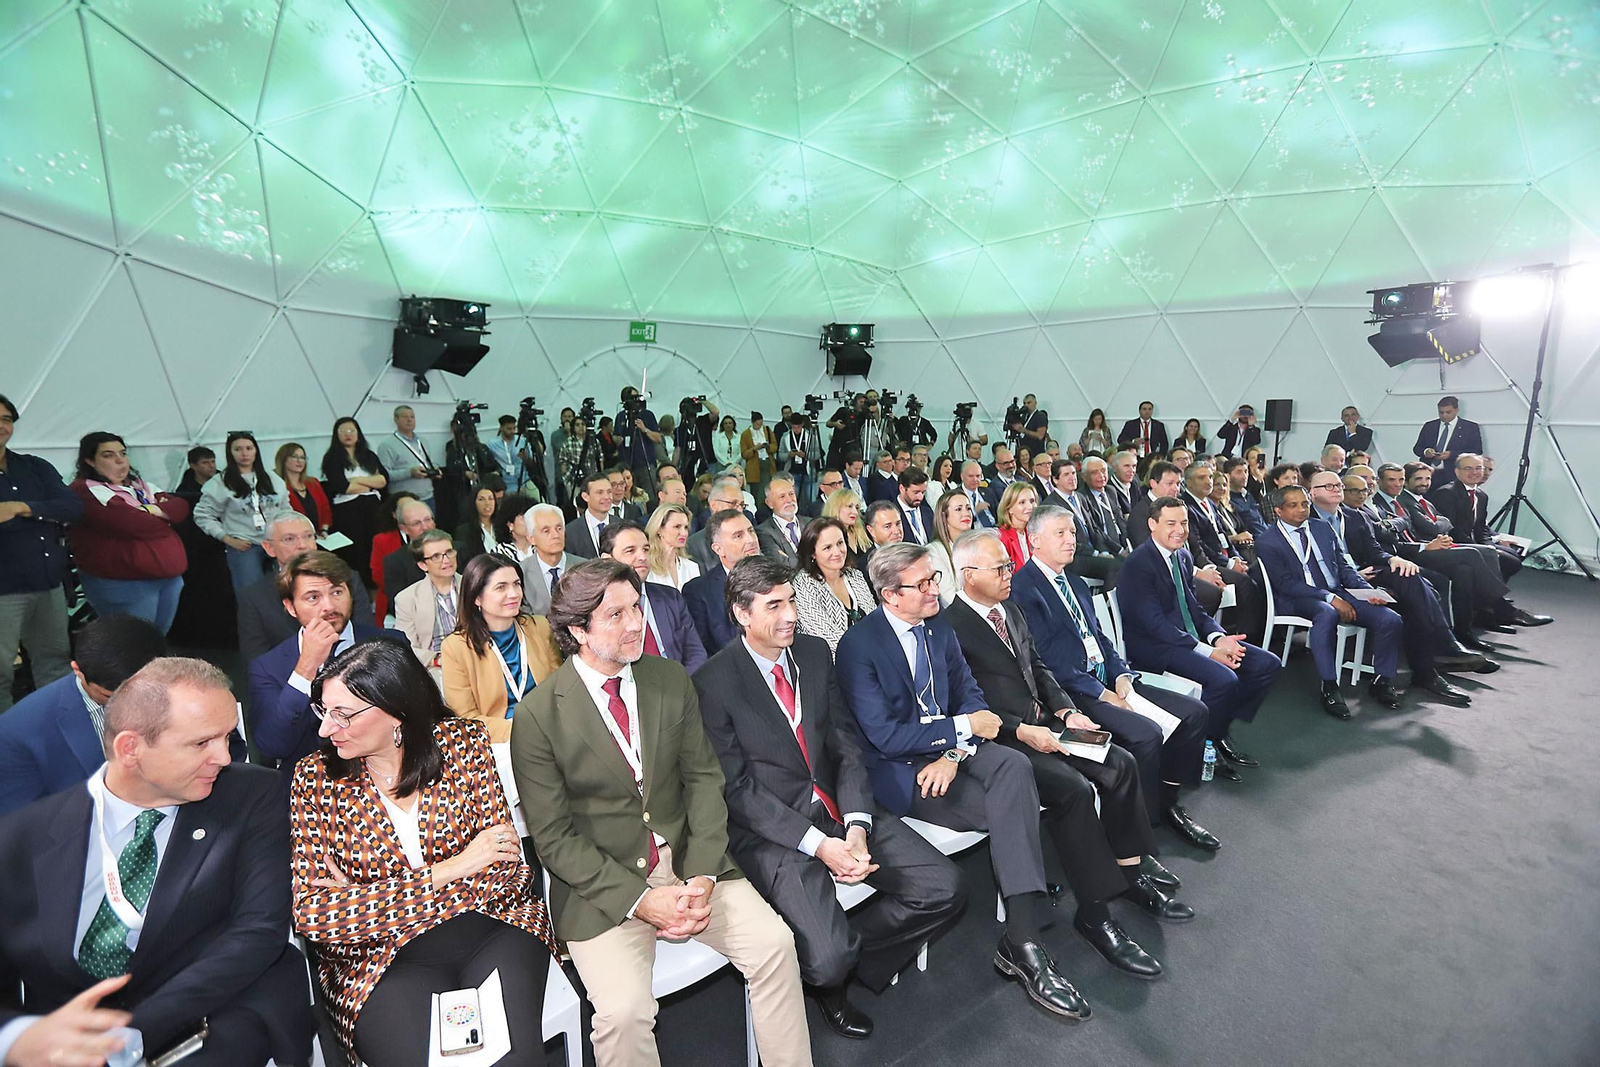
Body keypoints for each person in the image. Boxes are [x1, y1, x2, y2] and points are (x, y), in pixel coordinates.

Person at [511, 559, 813, 1067]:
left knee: (776, 946)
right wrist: (640, 901)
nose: (636, 624)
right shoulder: (540, 716)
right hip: (603, 888)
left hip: (692, 865)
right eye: (616, 615)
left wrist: (702, 875)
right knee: (624, 1014)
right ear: (576, 630)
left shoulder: (669, 679)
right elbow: (554, 839)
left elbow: (703, 780)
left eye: (637, 608)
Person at [694, 557, 966, 1038]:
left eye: (793, 601)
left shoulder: (817, 653)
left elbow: (846, 746)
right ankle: (832, 974)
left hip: (843, 809)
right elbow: (737, 789)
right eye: (774, 605)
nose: (791, 615)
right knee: (825, 961)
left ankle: (850, 954)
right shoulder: (712, 682)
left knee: (945, 889)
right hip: (775, 832)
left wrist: (858, 824)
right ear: (741, 613)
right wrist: (819, 846)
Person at [0, 657, 313, 1067]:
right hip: (67, 1039)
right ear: (130, 748)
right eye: (201, 743)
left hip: (211, 1019)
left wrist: (126, 1036)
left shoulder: (253, 796)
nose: (223, 757)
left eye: (226, 737)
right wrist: (17, 1038)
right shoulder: (27, 836)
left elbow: (257, 933)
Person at [835, 545, 1096, 1013]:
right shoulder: (858, 646)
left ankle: (1022, 937)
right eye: (924, 584)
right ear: (890, 595)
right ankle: (1024, 940)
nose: (936, 588)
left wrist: (954, 752)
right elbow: (887, 736)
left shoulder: (938, 627)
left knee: (1014, 767)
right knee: (1012, 798)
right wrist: (960, 731)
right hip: (902, 773)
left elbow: (973, 701)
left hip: (951, 757)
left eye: (935, 577)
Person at [290, 641, 557, 1066]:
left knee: (514, 1060)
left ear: (396, 711)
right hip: (378, 963)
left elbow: (505, 872)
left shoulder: (464, 745)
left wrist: (367, 896)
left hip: (493, 928)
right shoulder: (314, 779)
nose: (325, 729)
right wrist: (454, 867)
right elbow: (315, 916)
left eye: (343, 714)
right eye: (324, 711)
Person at [944, 531, 1197, 947]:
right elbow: (965, 701)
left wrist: (1065, 709)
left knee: (1120, 763)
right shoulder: (949, 626)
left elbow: (1038, 667)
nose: (1011, 572)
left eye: (1009, 564)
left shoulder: (1009, 607)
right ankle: (1096, 914)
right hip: (1004, 741)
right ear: (969, 575)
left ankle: (1131, 874)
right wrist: (1019, 729)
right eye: (1001, 567)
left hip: (1046, 721)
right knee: (1075, 790)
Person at [1004, 514, 1216, 848]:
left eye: (1073, 532)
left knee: (1195, 713)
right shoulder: (1022, 589)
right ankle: (1142, 825)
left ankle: (1166, 801)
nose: (1070, 539)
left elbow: (1101, 639)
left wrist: (1120, 676)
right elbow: (1045, 662)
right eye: (1059, 533)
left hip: (1110, 680)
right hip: (1073, 695)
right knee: (1146, 734)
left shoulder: (1073, 583)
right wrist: (1100, 692)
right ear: (1035, 540)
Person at [1117, 498, 1283, 777]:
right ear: (1152, 525)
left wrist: (1219, 638)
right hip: (1154, 647)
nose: (1180, 530)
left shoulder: (1182, 556)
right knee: (1224, 679)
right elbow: (1154, 624)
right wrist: (1207, 651)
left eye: (1183, 523)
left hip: (1187, 639)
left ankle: (1216, 731)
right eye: (1171, 523)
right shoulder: (1138, 564)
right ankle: (1202, 745)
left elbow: (1194, 609)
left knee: (1267, 664)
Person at [246, 551, 405, 773]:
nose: (329, 606)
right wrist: (306, 668)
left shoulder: (390, 643)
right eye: (313, 597)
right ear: (290, 607)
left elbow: (417, 714)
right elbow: (273, 746)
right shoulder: (267, 668)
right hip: (313, 783)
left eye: (337, 592)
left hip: (390, 770)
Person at [0, 614, 167, 815]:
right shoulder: (19, 729)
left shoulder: (182, 692)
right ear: (77, 670)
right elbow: (21, 823)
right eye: (108, 696)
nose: (127, 703)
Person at [68, 432, 188, 633]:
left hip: (167, 578)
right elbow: (135, 524)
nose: (119, 461)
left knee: (155, 642)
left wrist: (153, 510)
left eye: (123, 453)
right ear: (89, 461)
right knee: (133, 646)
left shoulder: (139, 486)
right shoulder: (85, 491)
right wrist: (166, 517)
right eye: (108, 455)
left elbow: (181, 507)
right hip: (125, 583)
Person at [439, 553, 562, 743]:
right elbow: (465, 717)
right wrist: (523, 730)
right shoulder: (456, 647)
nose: (513, 593)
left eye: (517, 584)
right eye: (501, 587)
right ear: (477, 598)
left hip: (551, 730)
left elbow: (560, 688)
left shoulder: (539, 627)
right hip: (499, 741)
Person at [238, 513, 375, 661]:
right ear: (269, 547)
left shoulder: (348, 578)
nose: (302, 545)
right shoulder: (255, 596)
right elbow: (255, 659)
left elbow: (367, 636)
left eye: (308, 536)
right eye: (289, 539)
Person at [599, 522, 707, 674]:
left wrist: (682, 686)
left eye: (646, 549)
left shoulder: (670, 597)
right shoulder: (598, 607)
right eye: (630, 551)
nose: (642, 557)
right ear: (607, 560)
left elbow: (695, 652)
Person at [195, 431, 290, 595]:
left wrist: (288, 535)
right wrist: (226, 538)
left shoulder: (272, 478)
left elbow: (285, 509)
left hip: (275, 543)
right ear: (230, 453)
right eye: (238, 449)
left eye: (249, 448)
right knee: (251, 595)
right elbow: (202, 515)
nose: (244, 453)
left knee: (284, 591)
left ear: (256, 451)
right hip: (245, 547)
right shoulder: (220, 482)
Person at [321, 417, 390, 587]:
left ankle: (376, 590)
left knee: (374, 550)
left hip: (373, 509)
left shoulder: (369, 456)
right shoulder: (332, 458)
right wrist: (369, 483)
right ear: (336, 435)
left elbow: (383, 481)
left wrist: (357, 480)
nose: (348, 434)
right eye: (343, 431)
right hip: (348, 512)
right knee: (356, 554)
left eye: (352, 430)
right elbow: (343, 486)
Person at [792, 518, 876, 655]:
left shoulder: (855, 575)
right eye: (827, 548)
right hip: (833, 666)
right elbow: (828, 640)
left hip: (870, 656)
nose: (837, 552)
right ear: (813, 553)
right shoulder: (803, 585)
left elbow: (875, 620)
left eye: (840, 543)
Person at [684, 508, 761, 654]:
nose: (751, 540)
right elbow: (701, 650)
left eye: (751, 531)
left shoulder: (778, 578)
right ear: (718, 549)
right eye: (738, 536)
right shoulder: (699, 591)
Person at [1046, 459, 1122, 587]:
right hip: (1074, 557)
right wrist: (1096, 554)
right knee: (1116, 567)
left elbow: (1095, 529)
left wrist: (1110, 551)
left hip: (1093, 552)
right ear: (1055, 480)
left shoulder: (1081, 497)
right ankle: (1104, 604)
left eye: (1073, 473)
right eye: (1066, 475)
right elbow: (1064, 540)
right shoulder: (1052, 505)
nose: (1072, 478)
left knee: (1129, 562)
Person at [394, 529, 461, 670]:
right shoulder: (407, 599)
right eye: (436, 556)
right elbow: (406, 646)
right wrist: (436, 660)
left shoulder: (475, 585)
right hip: (436, 664)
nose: (446, 560)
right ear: (423, 565)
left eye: (449, 552)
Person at [522, 502, 586, 615]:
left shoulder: (584, 568)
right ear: (531, 539)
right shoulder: (521, 573)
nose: (555, 535)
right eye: (546, 531)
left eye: (559, 528)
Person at [377, 497, 434, 621]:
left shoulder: (458, 550)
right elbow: (398, 605)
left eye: (428, 520)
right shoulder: (394, 561)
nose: (425, 527)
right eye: (416, 523)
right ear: (404, 529)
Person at [439, 418, 497, 535]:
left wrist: (494, 473)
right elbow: (450, 469)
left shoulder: (480, 447)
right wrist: (464, 473)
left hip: (481, 486)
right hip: (463, 490)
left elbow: (491, 465)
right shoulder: (453, 447)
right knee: (466, 515)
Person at [375, 404, 438, 508]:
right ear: (396, 419)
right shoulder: (387, 445)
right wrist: (409, 472)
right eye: (405, 417)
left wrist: (433, 471)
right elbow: (384, 476)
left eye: (412, 417)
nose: (409, 420)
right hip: (403, 500)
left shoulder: (423, 441)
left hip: (428, 497)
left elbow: (424, 463)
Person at [1412, 395, 1482, 488]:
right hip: (1428, 475)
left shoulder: (1470, 427)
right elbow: (1417, 448)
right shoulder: (1429, 426)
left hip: (1453, 476)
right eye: (1441, 412)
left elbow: (1477, 451)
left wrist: (1452, 454)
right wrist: (1426, 452)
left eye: (1448, 412)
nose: (1444, 415)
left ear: (1457, 410)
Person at [615, 386, 665, 499]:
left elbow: (658, 438)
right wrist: (616, 439)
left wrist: (644, 429)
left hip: (645, 463)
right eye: (632, 398)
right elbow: (616, 437)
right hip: (626, 465)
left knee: (649, 495)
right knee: (628, 496)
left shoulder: (647, 415)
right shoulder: (621, 416)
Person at [928, 488, 974, 607]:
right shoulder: (934, 551)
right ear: (944, 516)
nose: (966, 513)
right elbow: (949, 599)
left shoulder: (977, 546)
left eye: (968, 508)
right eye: (958, 509)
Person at [274, 442, 331, 535]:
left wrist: (324, 530)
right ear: (283, 459)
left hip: (319, 536)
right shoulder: (278, 486)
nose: (299, 461)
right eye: (294, 457)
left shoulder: (313, 483)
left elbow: (325, 510)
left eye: (302, 457)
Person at [645, 503, 700, 590]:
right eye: (677, 527)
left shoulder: (692, 567)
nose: (684, 533)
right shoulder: (646, 567)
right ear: (659, 529)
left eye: (686, 527)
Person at [755, 473, 804, 567]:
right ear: (769, 503)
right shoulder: (763, 531)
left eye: (791, 494)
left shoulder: (811, 523)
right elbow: (781, 564)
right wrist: (813, 562)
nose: (789, 500)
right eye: (782, 496)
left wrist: (790, 559)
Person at [565, 472, 613, 559]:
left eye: (609, 492)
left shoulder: (623, 526)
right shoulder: (570, 532)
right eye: (600, 492)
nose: (606, 497)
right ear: (585, 496)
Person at [455, 479, 505, 562]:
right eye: (481, 499)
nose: (487, 503)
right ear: (474, 503)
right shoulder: (464, 531)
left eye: (491, 499)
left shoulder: (502, 525)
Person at [488, 413, 534, 496]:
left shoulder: (522, 441)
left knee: (538, 500)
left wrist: (526, 457)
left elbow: (531, 463)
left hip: (524, 480)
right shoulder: (492, 444)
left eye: (514, 428)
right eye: (509, 429)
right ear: (501, 428)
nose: (512, 431)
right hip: (505, 484)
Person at [1223, 456, 1269, 537]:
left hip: (1266, 534)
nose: (1244, 476)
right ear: (1228, 476)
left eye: (1246, 471)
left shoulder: (1248, 495)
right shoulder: (1227, 499)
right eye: (1239, 472)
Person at [822, 487, 872, 560]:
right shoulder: (826, 536)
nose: (855, 512)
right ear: (835, 508)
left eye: (857, 508)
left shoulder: (862, 533)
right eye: (849, 506)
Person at [996, 481, 1037, 569]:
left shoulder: (1034, 533)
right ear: (1009, 508)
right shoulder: (1001, 538)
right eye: (1022, 502)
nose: (1030, 507)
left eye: (1032, 501)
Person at [491, 492, 536, 563]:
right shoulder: (500, 553)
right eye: (524, 518)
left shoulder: (541, 547)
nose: (530, 522)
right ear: (510, 525)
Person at [893, 467, 934, 546]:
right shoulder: (890, 514)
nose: (920, 497)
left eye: (923, 492)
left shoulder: (928, 513)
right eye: (916, 492)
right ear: (902, 488)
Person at [956, 460, 997, 529]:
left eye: (978, 476)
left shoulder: (988, 492)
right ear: (962, 476)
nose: (975, 479)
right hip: (971, 535)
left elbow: (999, 515)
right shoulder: (956, 496)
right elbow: (957, 523)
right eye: (971, 476)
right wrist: (974, 512)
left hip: (993, 532)